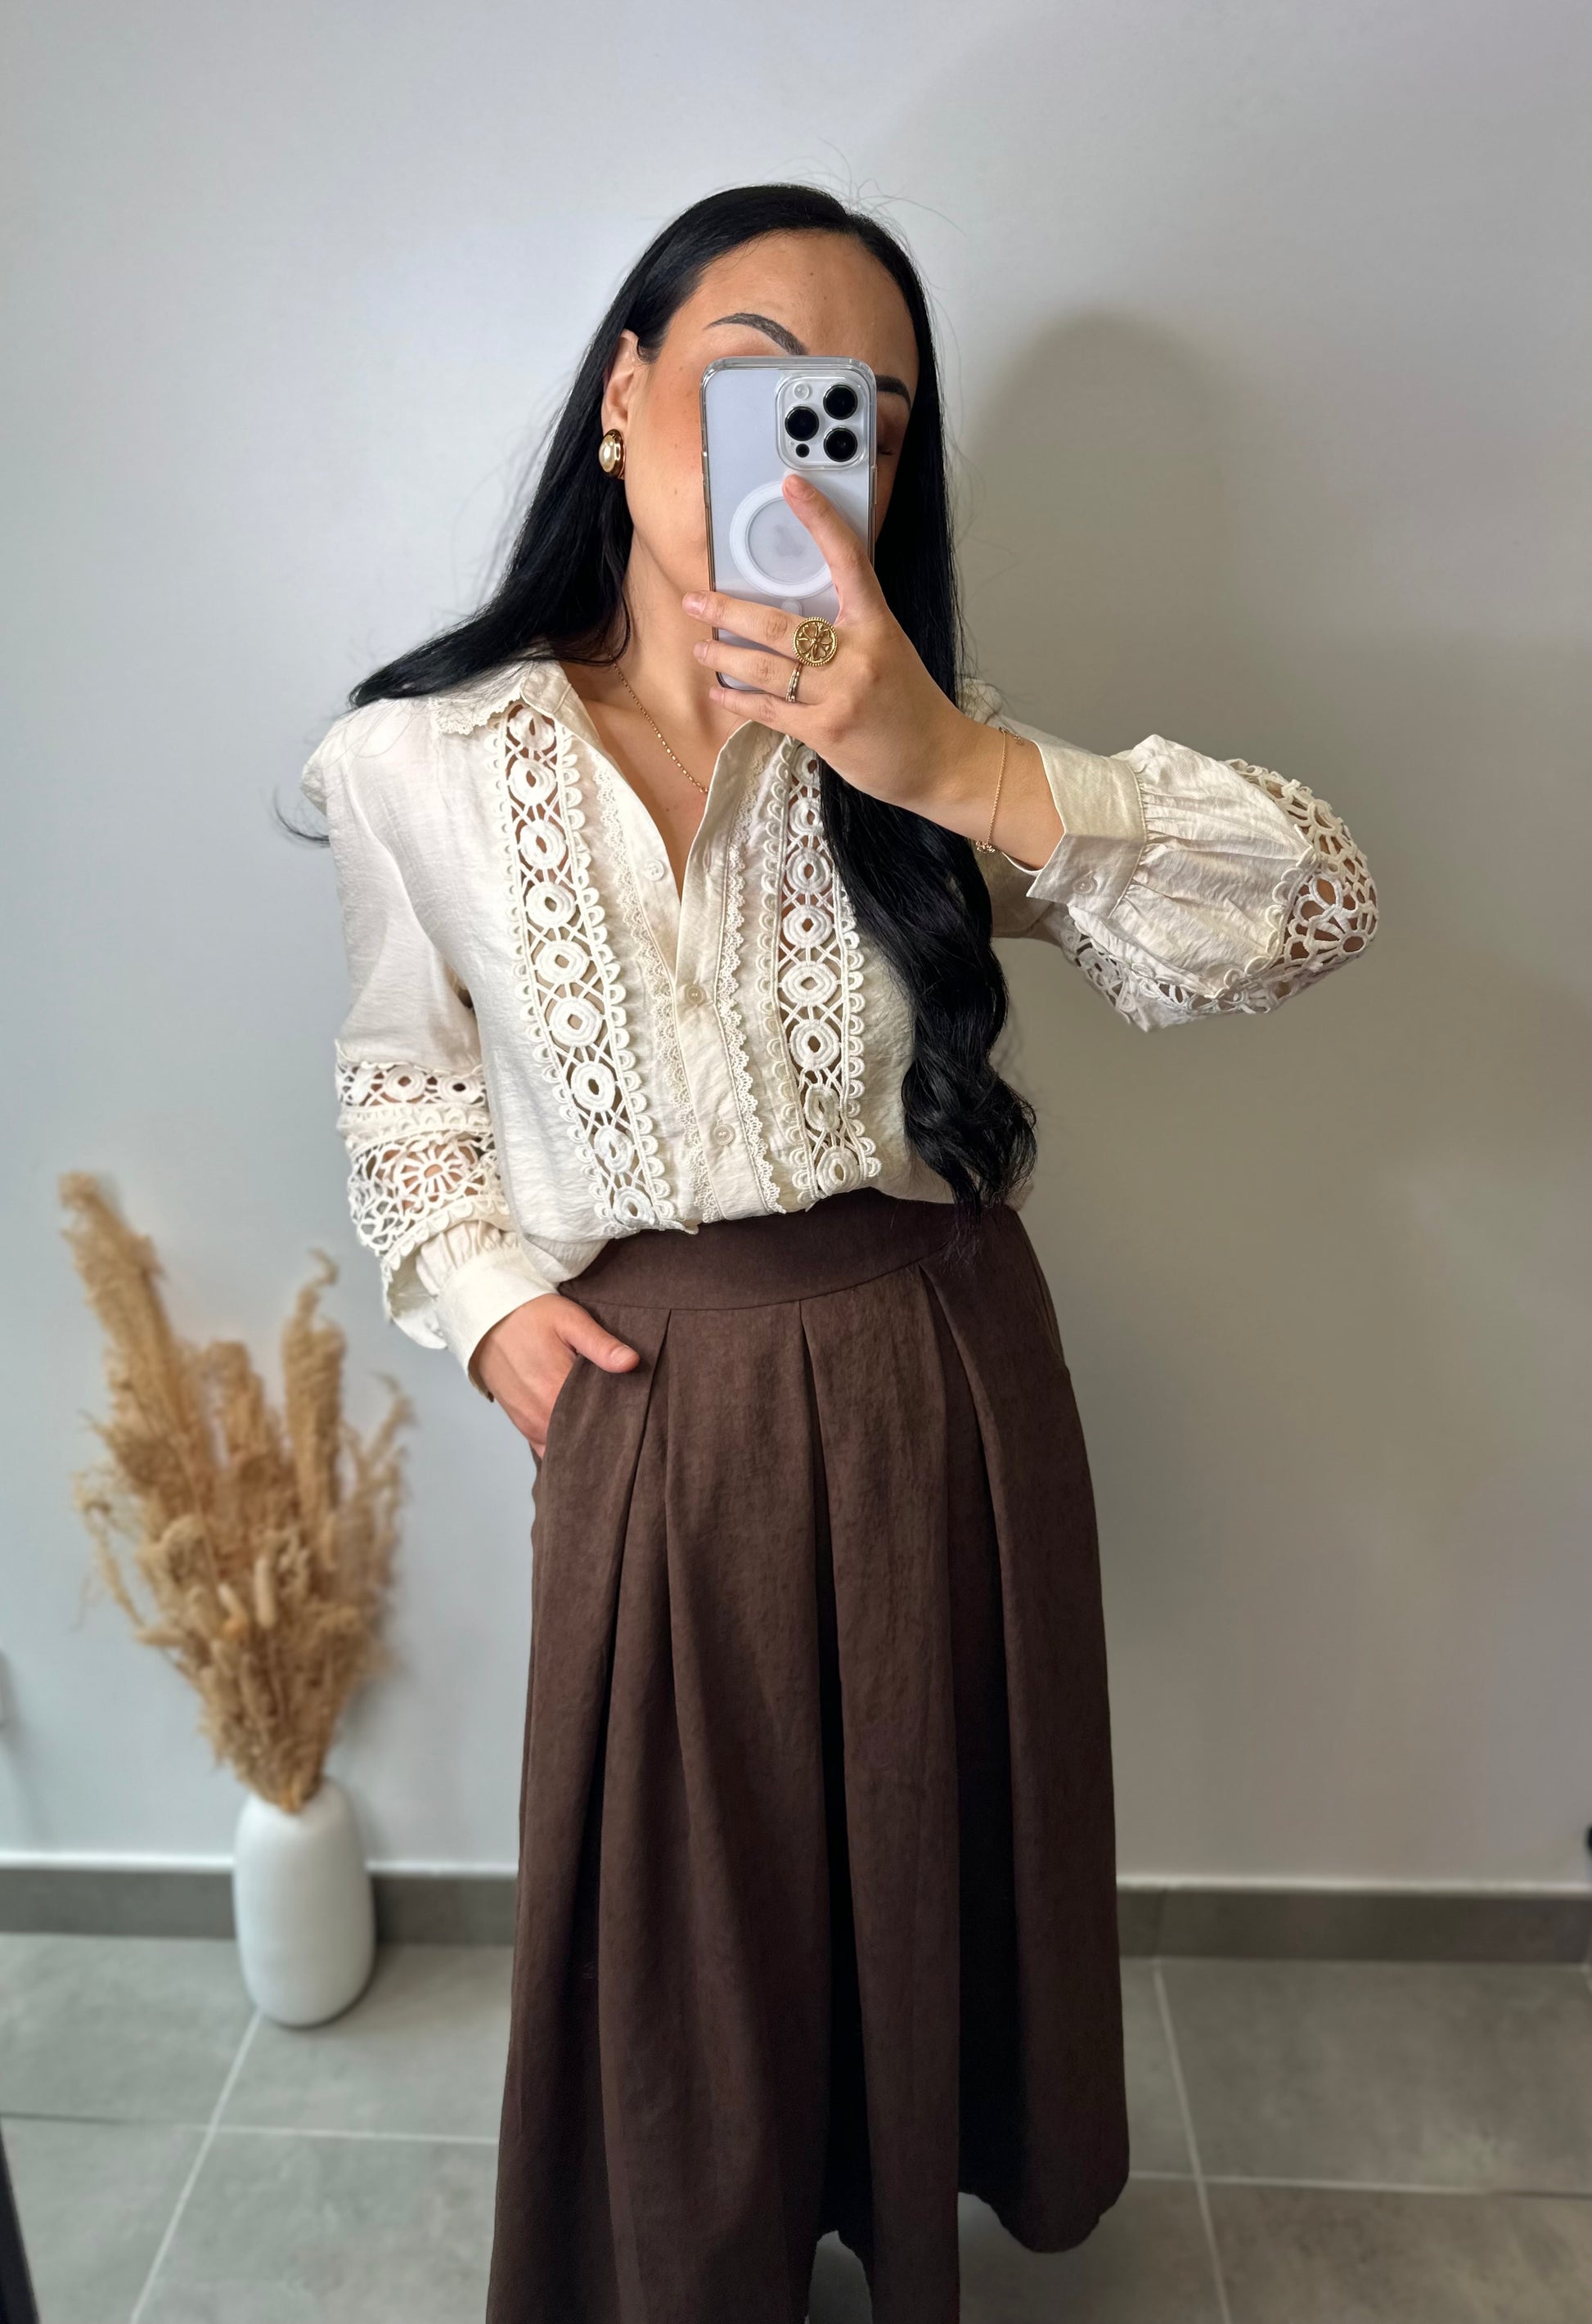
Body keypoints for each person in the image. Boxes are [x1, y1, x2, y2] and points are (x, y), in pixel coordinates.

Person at [297, 182, 1377, 2324]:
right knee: (684, 1925)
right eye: (760, 376)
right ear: (624, 397)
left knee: (923, 1842)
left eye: (866, 410)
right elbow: (401, 1078)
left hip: (940, 1376)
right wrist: (493, 1313)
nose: (817, 435)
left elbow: (1315, 908)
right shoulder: (415, 764)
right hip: (654, 1416)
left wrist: (952, 761)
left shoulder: (922, 743)